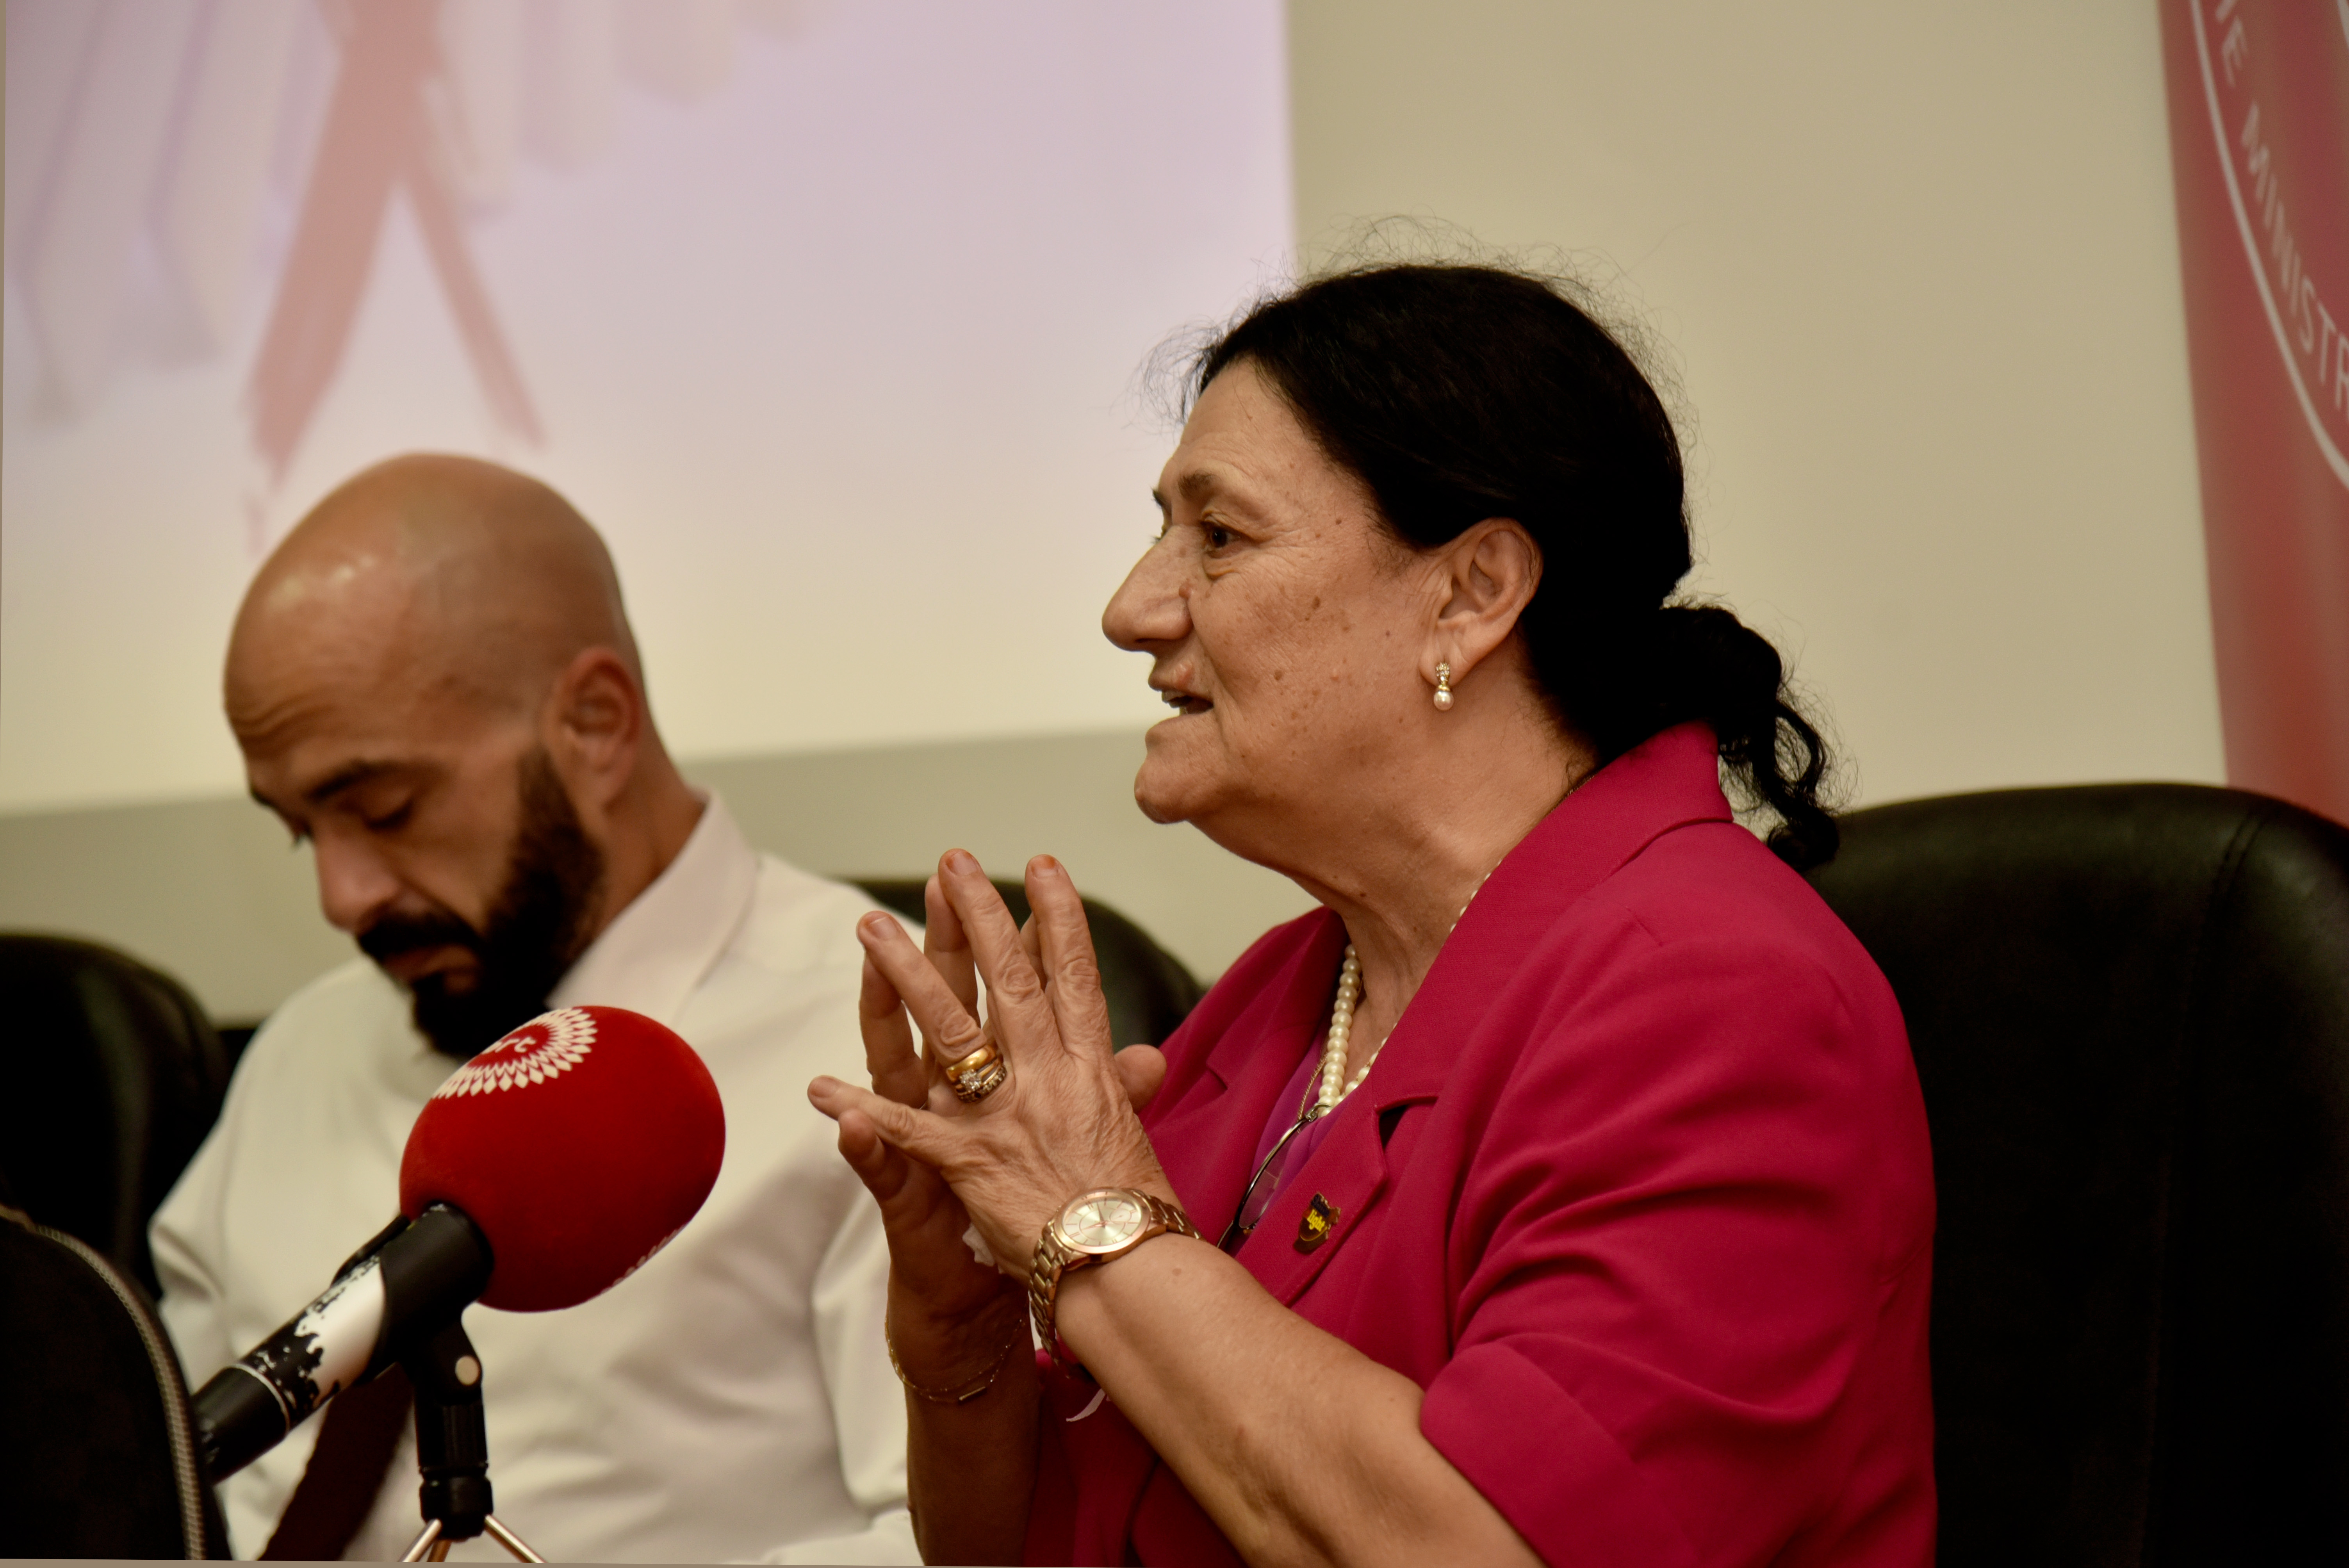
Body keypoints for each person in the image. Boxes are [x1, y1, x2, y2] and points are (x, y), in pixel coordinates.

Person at [807, 262, 1936, 1566]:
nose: (1133, 610)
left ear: (1472, 593)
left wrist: (1088, 1225)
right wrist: (967, 1326)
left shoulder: (1720, 994)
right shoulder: (1280, 998)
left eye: (1219, 538)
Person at [153, 456, 918, 1563]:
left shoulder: (883, 1047)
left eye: (386, 807)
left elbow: (962, 1537)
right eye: (299, 831)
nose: (341, 898)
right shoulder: (304, 1052)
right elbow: (159, 1492)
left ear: (596, 726)